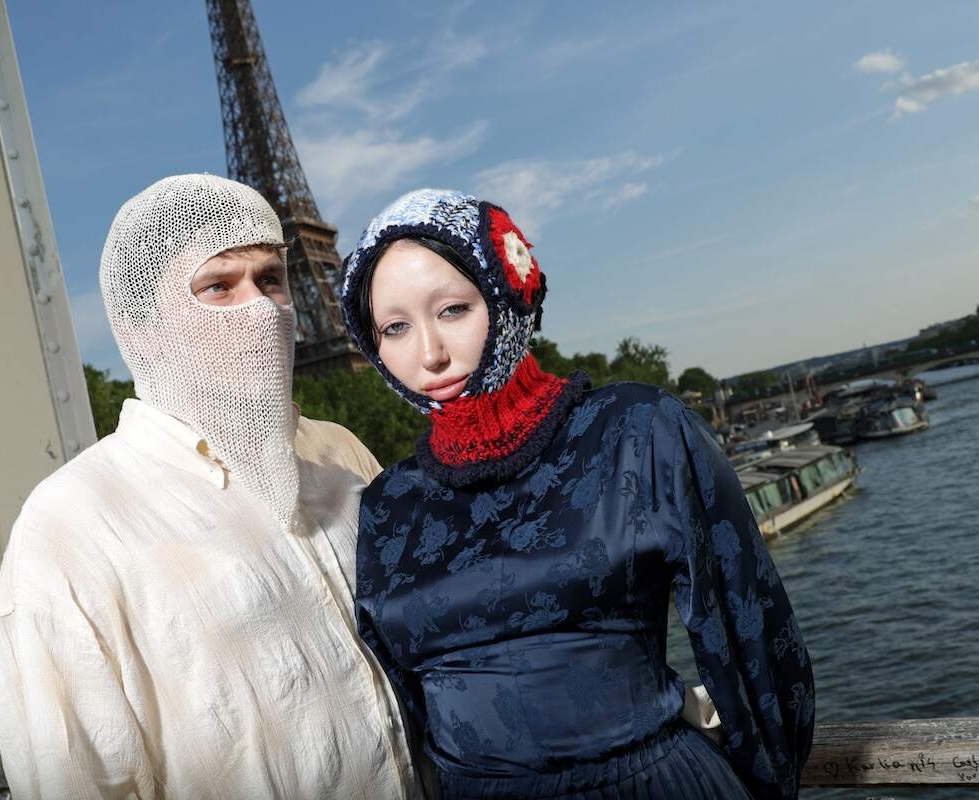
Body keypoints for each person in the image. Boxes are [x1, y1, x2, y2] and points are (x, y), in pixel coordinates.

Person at [337, 189, 815, 799]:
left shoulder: (638, 430)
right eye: (395, 327)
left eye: (453, 309)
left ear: (509, 294)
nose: (429, 353)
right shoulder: (387, 504)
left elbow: (755, 649)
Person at [0, 174, 423, 799]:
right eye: (218, 285)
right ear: (144, 322)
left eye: (271, 279)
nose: (259, 307)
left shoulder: (341, 450)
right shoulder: (69, 528)